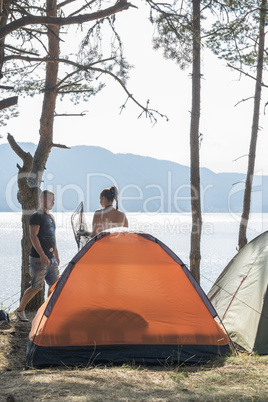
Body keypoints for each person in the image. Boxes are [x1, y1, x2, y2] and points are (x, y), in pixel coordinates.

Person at [16, 190, 60, 322]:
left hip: (51, 259)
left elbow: (53, 238)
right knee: (36, 287)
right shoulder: (36, 216)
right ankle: (20, 310)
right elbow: (33, 236)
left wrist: (56, 256)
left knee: (55, 286)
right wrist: (42, 255)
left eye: (53, 199)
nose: (53, 201)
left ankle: (48, 312)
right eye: (50, 199)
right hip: (38, 259)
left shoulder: (51, 217)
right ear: (42, 200)